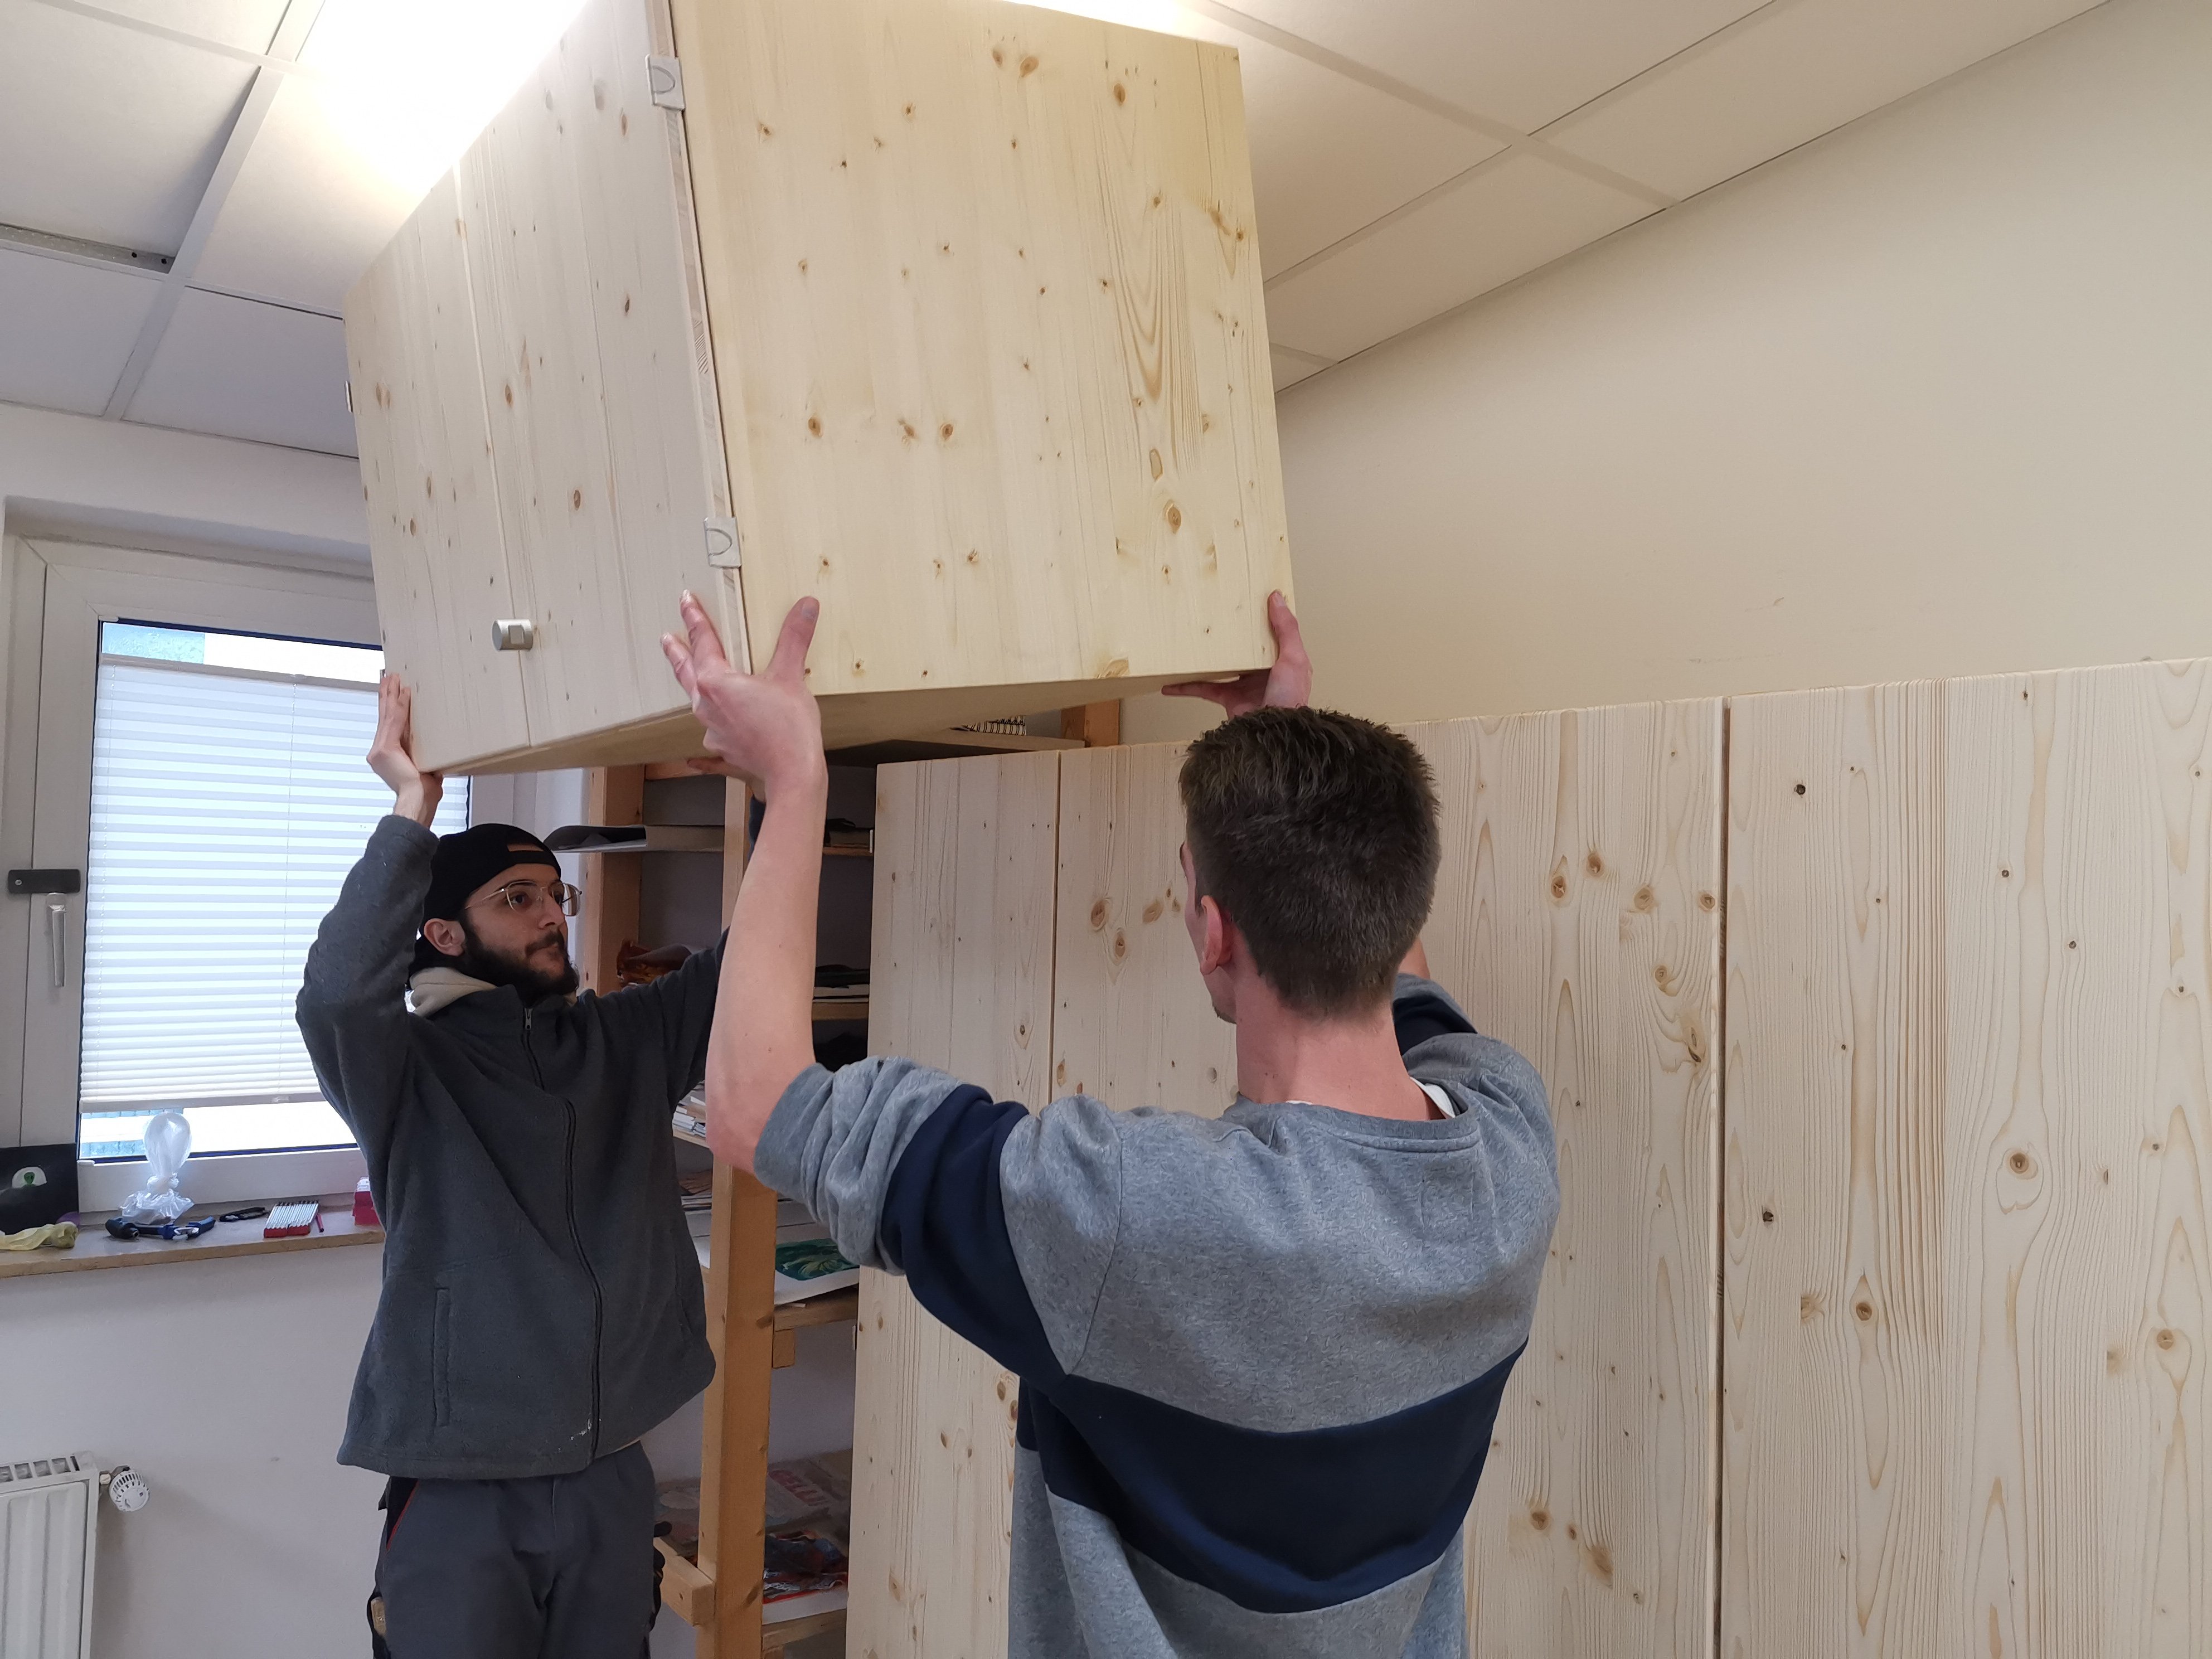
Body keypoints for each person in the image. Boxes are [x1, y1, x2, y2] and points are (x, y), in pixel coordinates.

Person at [662, 589, 1560, 1658]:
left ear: (1212, 932)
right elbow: (1395, 972)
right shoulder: (1510, 1145)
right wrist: (1276, 747)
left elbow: (754, 1102)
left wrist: (796, 781)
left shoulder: (1133, 1220)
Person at [297, 677, 720, 1659]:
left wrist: (783, 788)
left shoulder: (625, 1041)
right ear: (444, 934)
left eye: (555, 895)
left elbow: (745, 970)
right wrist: (413, 810)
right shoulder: (408, 1067)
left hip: (612, 1475)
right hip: (461, 1488)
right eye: (516, 898)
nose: (551, 916)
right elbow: (336, 996)